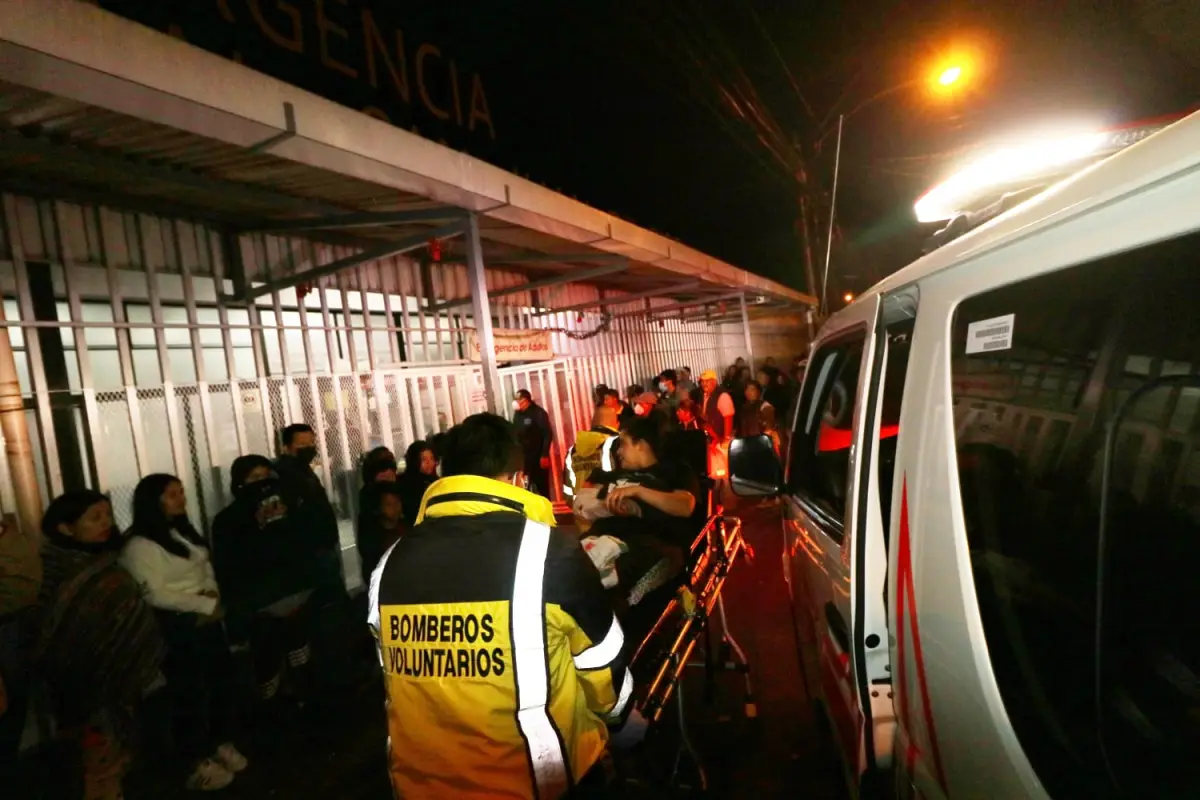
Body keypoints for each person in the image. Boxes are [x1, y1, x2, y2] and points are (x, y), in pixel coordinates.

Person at [368, 413, 638, 798]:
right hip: (535, 783)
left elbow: (394, 678)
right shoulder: (549, 552)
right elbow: (601, 665)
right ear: (515, 478)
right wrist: (621, 716)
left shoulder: (389, 563)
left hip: (421, 785)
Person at [121, 475, 248, 791]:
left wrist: (213, 596)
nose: (181, 499)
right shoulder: (139, 545)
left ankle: (218, 741)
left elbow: (205, 567)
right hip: (177, 625)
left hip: (206, 618)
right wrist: (201, 606)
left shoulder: (182, 533)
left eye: (181, 493)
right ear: (154, 501)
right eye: (171, 495)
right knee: (188, 690)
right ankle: (193, 759)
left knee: (220, 680)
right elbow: (153, 592)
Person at [32, 492, 162, 799]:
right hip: (77, 681)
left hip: (117, 674)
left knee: (116, 751)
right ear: (65, 528)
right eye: (94, 517)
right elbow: (51, 629)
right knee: (93, 757)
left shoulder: (106, 560)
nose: (106, 523)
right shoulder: (56, 568)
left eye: (107, 515)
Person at [211, 455, 318, 715]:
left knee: (300, 652)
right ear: (239, 484)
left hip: (296, 594)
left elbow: (308, 542)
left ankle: (306, 699)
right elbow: (231, 564)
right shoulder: (229, 519)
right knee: (267, 660)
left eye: (267, 476)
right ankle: (273, 710)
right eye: (254, 479)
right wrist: (258, 526)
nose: (263, 484)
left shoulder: (290, 505)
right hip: (261, 605)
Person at [586, 413, 699, 611]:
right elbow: (584, 508)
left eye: (623, 444)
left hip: (650, 546)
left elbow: (685, 506)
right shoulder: (616, 475)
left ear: (641, 444)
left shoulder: (674, 471)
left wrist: (638, 491)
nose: (618, 451)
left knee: (613, 595)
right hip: (603, 541)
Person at [274, 424, 343, 597]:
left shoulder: (302, 469)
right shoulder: (285, 474)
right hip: (310, 552)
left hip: (321, 547)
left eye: (311, 443)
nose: (308, 448)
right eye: (301, 444)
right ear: (286, 447)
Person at [564, 406, 622, 532]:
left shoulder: (573, 450)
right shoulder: (617, 443)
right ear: (616, 423)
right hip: (609, 514)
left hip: (582, 516)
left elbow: (568, 492)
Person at [512, 389, 554, 498]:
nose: (517, 403)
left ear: (526, 400)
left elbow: (547, 434)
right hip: (525, 459)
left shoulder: (538, 413)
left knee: (542, 487)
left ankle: (546, 511)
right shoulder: (518, 415)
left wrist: (544, 455)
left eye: (519, 400)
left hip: (538, 457)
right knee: (524, 487)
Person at [396, 440, 437, 529]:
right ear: (414, 461)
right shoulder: (405, 484)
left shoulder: (436, 481)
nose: (429, 463)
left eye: (432, 458)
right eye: (424, 459)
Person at [697, 370, 736, 444]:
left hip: (721, 441)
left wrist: (726, 440)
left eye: (707, 381)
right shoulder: (703, 395)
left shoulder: (723, 396)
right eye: (702, 381)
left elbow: (728, 418)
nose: (704, 384)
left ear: (714, 382)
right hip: (711, 440)